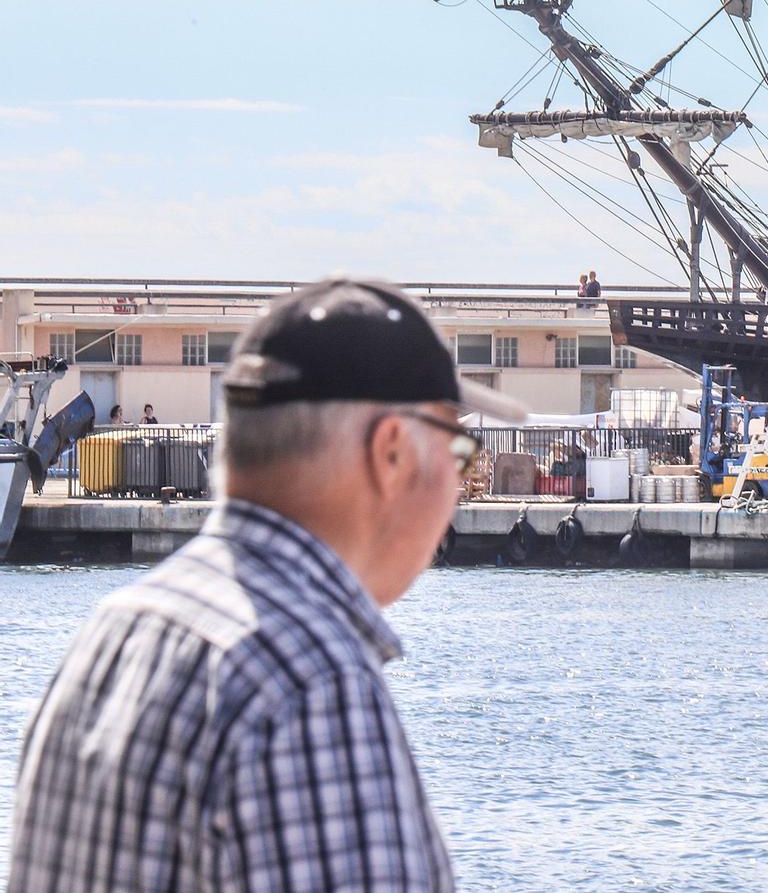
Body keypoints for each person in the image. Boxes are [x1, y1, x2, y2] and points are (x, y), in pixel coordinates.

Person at [10, 276, 524, 891]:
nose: (463, 481)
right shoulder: (310, 681)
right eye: (460, 449)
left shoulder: (114, 631)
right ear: (390, 453)